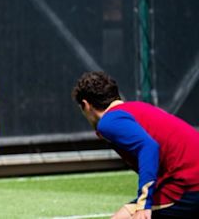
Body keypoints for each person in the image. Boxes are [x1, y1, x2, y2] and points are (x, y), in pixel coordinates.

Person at [72, 71, 199, 219]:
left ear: (86, 105)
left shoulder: (108, 122)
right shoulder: (137, 108)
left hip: (188, 183)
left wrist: (144, 203)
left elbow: (148, 147)